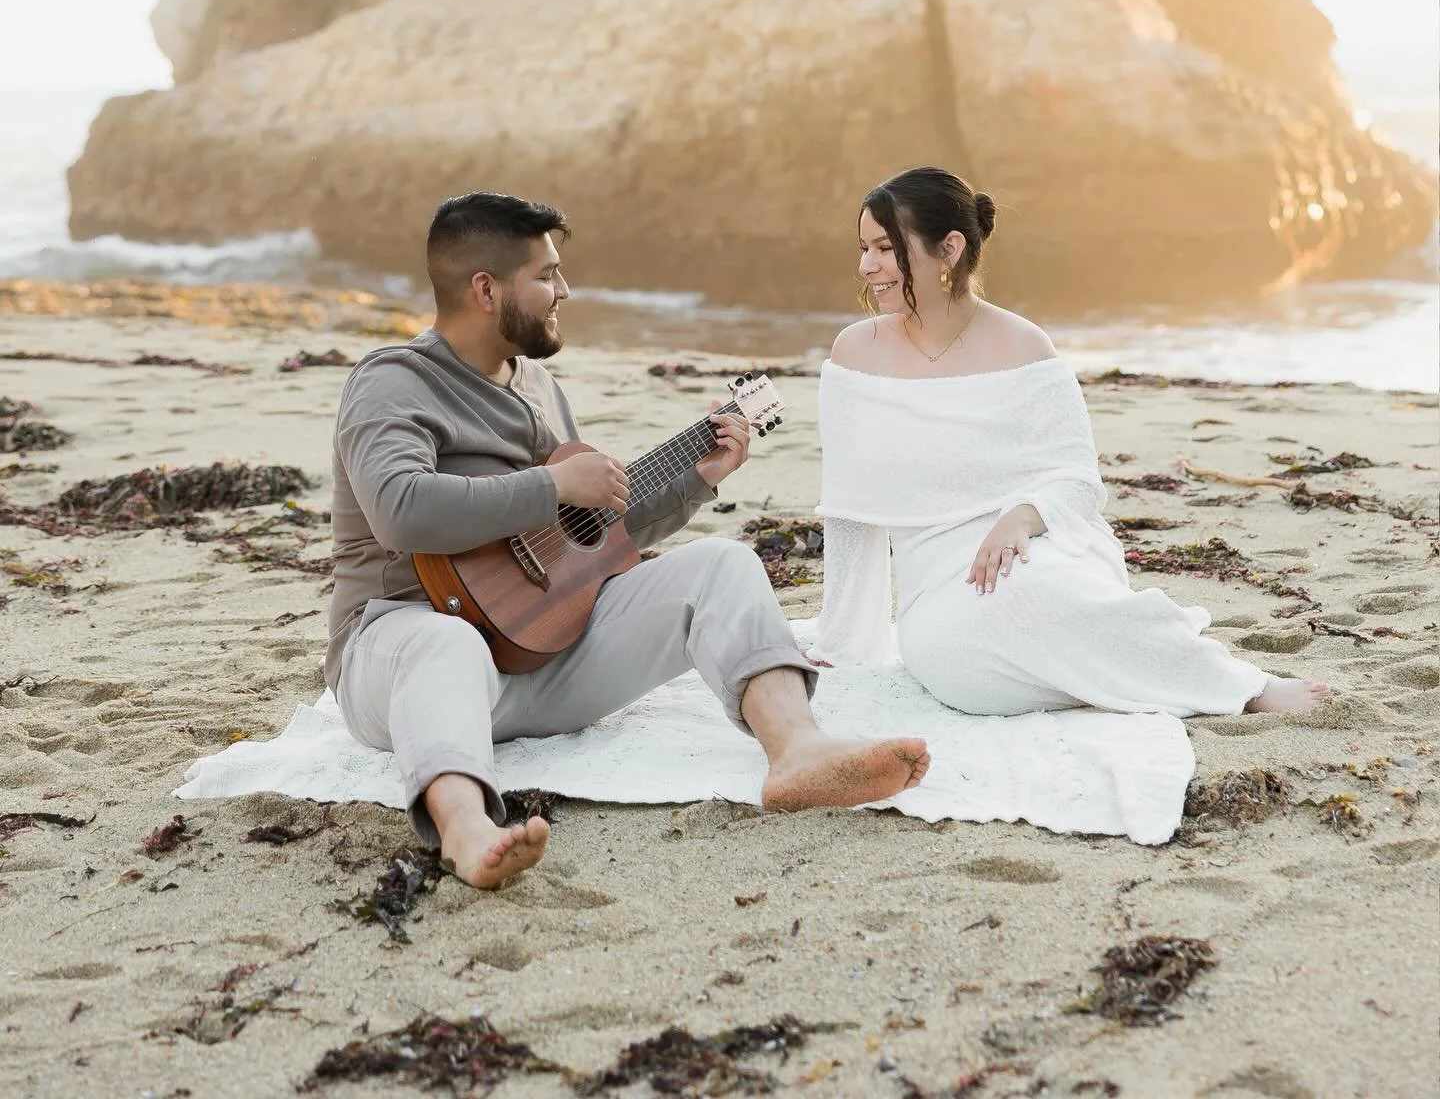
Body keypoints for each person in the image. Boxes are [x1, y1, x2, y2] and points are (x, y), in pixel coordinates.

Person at [327, 191, 929, 889]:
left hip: (532, 659)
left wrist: (694, 482)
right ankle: (465, 827)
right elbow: (400, 510)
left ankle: (797, 750)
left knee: (722, 566)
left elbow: (577, 546)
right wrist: (554, 486)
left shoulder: (539, 386)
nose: (565, 290)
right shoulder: (391, 382)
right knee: (448, 642)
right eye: (546, 275)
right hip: (402, 656)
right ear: (485, 290)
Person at [807, 166, 1328, 725]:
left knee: (1034, 599)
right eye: (863, 248)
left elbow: (1078, 480)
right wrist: (843, 638)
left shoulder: (1023, 345)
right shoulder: (855, 354)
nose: (866, 267)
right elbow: (850, 512)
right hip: (936, 581)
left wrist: (1023, 516)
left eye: (884, 248)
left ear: (949, 248)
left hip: (1041, 545)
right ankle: (1101, 671)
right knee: (960, 667)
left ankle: (1241, 686)